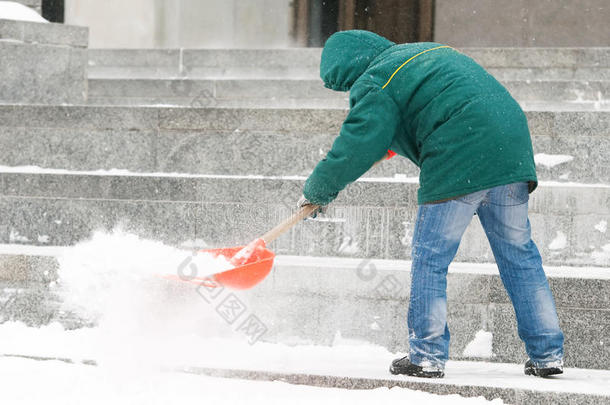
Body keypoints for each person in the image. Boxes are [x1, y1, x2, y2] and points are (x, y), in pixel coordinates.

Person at [297, 30, 564, 378]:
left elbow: (357, 141)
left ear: (349, 69)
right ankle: (547, 354)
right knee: (519, 255)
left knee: (430, 258)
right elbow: (433, 107)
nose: (352, 92)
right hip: (510, 148)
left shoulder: (376, 80)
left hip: (461, 154)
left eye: (347, 86)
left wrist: (318, 190)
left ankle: (426, 355)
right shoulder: (420, 55)